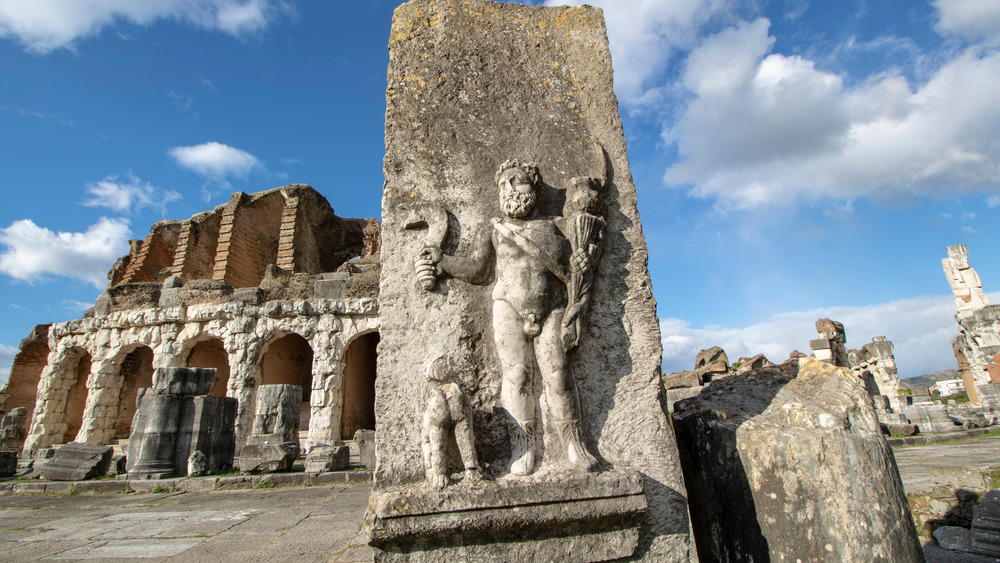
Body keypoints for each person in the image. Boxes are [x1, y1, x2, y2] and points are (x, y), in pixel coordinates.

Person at [415, 159, 598, 475]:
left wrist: (583, 260)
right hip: (507, 307)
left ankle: (574, 443)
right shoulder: (493, 229)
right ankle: (523, 447)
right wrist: (443, 261)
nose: (509, 189)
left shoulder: (557, 226)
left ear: (534, 188)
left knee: (558, 376)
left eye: (517, 181)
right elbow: (476, 270)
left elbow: (580, 259)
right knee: (516, 376)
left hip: (552, 307)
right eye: (503, 185)